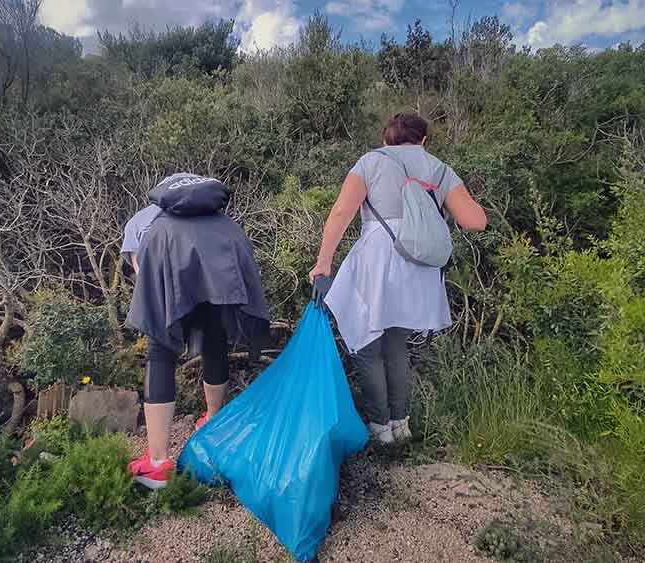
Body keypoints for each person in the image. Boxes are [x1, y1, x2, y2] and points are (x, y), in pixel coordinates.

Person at [308, 113, 487, 444]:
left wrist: (324, 263)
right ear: (423, 140)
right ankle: (400, 425)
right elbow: (475, 221)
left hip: (378, 261)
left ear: (386, 139)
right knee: (396, 346)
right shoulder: (440, 169)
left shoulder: (371, 161)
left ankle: (380, 428)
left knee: (367, 345)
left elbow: (342, 212)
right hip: (418, 267)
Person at [123, 173, 269, 489]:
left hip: (167, 252)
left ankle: (158, 463)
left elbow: (144, 274)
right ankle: (213, 422)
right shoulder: (219, 219)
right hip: (223, 256)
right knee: (215, 340)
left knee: (160, 351)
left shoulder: (141, 223)